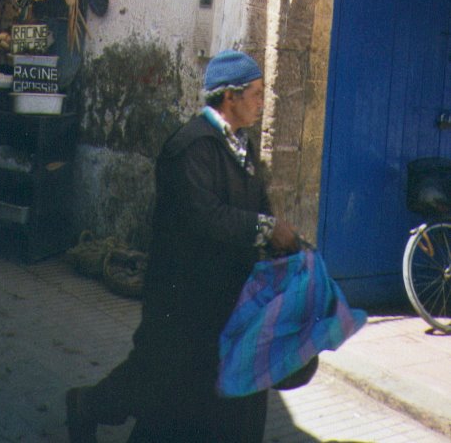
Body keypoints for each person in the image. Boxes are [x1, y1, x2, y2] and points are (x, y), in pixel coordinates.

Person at [66, 49, 301, 443]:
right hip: (181, 296)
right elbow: (204, 217)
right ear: (230, 97)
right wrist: (267, 228)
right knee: (158, 378)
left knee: (199, 390)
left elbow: (255, 203)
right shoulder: (191, 147)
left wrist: (277, 248)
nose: (263, 102)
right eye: (257, 94)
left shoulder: (240, 147)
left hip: (222, 294)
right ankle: (87, 407)